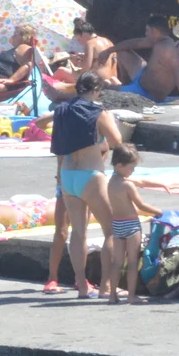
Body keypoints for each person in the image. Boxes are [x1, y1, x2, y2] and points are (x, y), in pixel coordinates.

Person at [46, 71, 125, 297]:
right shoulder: (100, 112)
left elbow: (58, 146)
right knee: (112, 231)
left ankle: (81, 285)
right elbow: (117, 142)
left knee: (78, 232)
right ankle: (107, 287)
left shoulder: (61, 110)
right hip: (90, 174)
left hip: (67, 174)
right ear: (97, 90)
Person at [101, 143, 162, 304]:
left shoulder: (112, 182)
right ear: (120, 165)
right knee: (133, 262)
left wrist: (161, 185)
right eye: (131, 168)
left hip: (117, 225)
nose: (132, 171)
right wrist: (158, 212)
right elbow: (141, 205)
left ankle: (112, 295)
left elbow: (140, 181)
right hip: (131, 225)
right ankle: (131, 296)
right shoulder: (127, 184)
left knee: (117, 262)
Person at [0, 24, 45, 104]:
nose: (13, 36)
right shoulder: (17, 48)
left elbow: (28, 65)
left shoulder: (23, 47)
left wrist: (11, 80)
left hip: (0, 83)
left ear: (24, 37)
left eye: (16, 34)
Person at [115, 20, 179, 104]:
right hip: (142, 76)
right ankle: (125, 85)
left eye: (147, 30)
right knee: (122, 52)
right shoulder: (159, 41)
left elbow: (178, 73)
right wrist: (107, 52)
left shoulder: (166, 48)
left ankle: (125, 88)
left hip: (145, 92)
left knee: (108, 89)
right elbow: (133, 43)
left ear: (155, 31)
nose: (145, 33)